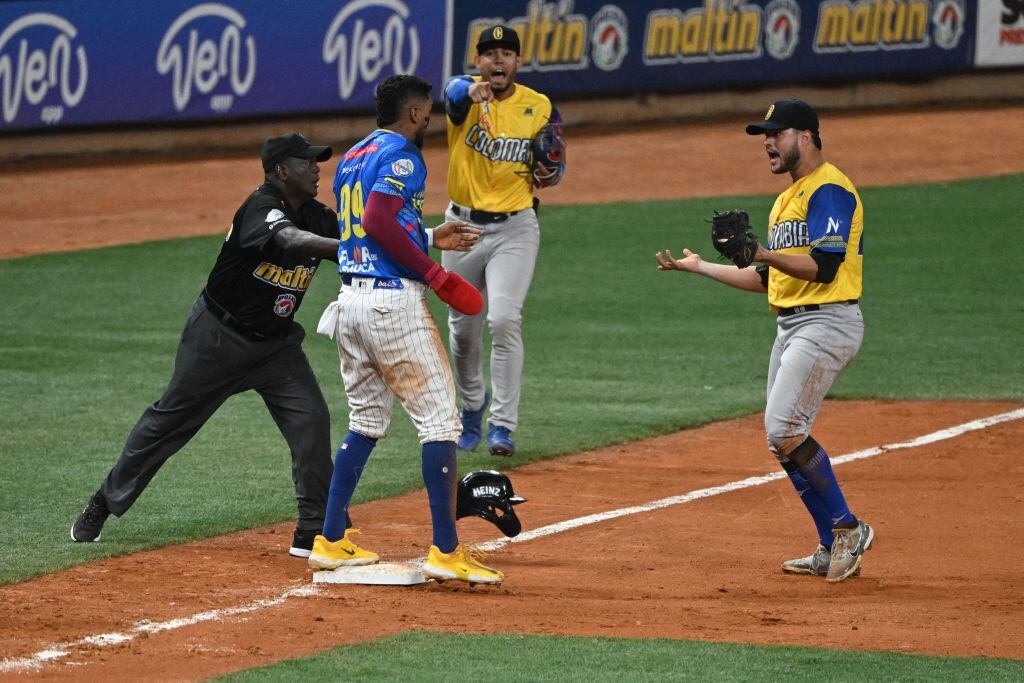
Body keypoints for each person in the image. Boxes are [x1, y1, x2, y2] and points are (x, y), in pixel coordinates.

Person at [71, 133, 344, 558]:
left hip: (276, 348)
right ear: (280, 171)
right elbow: (290, 241)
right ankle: (103, 503)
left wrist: (422, 239)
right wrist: (349, 248)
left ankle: (312, 530)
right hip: (218, 339)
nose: (316, 168)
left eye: (317, 161)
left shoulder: (318, 217)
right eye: (306, 162)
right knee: (168, 425)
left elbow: (366, 244)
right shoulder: (261, 208)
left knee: (311, 421)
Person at [655, 99, 874, 583]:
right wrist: (701, 268)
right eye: (764, 136)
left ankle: (848, 528)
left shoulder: (830, 189)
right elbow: (768, 278)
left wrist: (762, 252)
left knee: (783, 428)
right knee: (781, 441)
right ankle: (829, 544)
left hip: (827, 321)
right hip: (792, 326)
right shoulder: (785, 200)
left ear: (807, 136)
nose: (768, 143)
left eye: (776, 133)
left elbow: (824, 266)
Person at [308, 74, 504, 585]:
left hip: (350, 302)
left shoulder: (353, 156)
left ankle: (330, 539)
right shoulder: (404, 156)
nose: (430, 118)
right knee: (441, 423)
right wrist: (436, 273)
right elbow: (377, 220)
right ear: (415, 113)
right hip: (390, 304)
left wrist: (429, 235)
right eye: (428, 110)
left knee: (366, 419)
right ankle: (446, 550)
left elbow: (365, 227)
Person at [441, 25, 566, 457]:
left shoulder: (539, 105)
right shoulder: (464, 98)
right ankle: (473, 404)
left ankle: (502, 425)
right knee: (463, 330)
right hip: (461, 231)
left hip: (515, 227)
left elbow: (553, 164)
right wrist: (468, 90)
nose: (498, 60)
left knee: (504, 320)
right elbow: (452, 92)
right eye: (490, 53)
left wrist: (550, 169)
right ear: (477, 61)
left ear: (518, 61)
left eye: (506, 53)